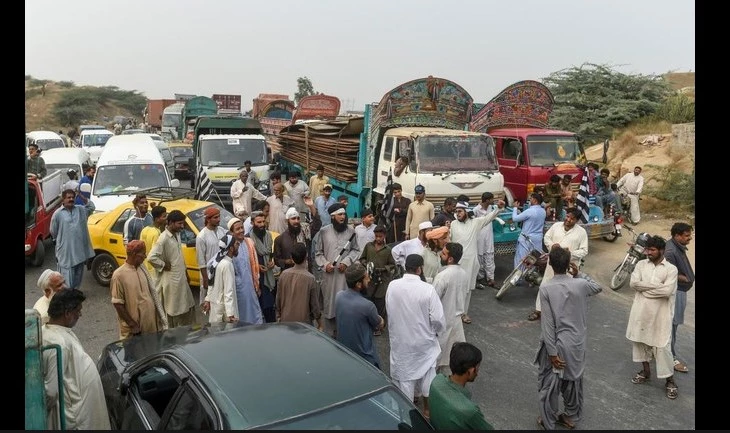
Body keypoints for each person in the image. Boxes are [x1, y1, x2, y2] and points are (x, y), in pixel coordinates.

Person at [535, 246, 602, 430]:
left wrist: (552, 353)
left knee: (550, 384)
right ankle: (570, 415)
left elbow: (548, 325)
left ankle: (548, 418)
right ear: (568, 264)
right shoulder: (580, 284)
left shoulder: (546, 288)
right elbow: (598, 287)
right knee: (573, 382)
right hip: (577, 344)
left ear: (550, 264)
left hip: (557, 344)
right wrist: (579, 273)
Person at [386, 253, 445, 419]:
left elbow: (389, 309)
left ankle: (406, 418)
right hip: (424, 344)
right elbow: (438, 320)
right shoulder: (428, 289)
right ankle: (427, 411)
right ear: (420, 269)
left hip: (402, 344)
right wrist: (434, 332)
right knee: (428, 376)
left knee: (405, 382)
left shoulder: (392, 286)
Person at [42, 289, 111, 430]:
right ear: (67, 313)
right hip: (77, 418)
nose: (80, 314)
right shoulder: (57, 343)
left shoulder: (57, 331)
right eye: (78, 311)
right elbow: (51, 392)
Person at [625, 235, 679, 400]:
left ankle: (670, 381)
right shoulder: (641, 264)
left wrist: (645, 289)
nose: (648, 252)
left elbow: (667, 291)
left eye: (652, 250)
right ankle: (646, 372)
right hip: (641, 312)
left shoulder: (671, 269)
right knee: (640, 342)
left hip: (661, 315)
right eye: (647, 249)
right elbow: (633, 284)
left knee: (662, 348)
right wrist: (657, 287)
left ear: (661, 250)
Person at [528, 208, 588, 322]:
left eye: (572, 218)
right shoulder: (556, 226)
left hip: (568, 268)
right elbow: (546, 237)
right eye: (567, 216)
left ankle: (560, 315)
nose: (568, 219)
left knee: (564, 292)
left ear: (577, 220)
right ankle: (538, 311)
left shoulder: (581, 232)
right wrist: (552, 245)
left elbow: (584, 251)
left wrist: (570, 254)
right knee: (544, 286)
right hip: (552, 265)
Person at [450, 200, 504, 324]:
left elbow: (488, 218)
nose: (457, 214)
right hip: (456, 263)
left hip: (470, 263)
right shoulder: (453, 224)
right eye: (456, 211)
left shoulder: (475, 223)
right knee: (455, 288)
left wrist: (499, 209)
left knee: (467, 290)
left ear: (466, 212)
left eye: (460, 211)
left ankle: (464, 313)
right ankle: (454, 312)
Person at [312, 202, 361, 337]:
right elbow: (318, 253)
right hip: (329, 276)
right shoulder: (324, 231)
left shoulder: (351, 231)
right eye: (340, 214)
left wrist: (346, 262)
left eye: (344, 214)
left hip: (345, 276)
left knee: (346, 307)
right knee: (330, 307)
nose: (343, 217)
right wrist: (325, 264)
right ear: (333, 217)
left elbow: (356, 250)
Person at [147, 210, 196, 327]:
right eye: (179, 224)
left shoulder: (177, 234)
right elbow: (151, 257)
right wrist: (164, 265)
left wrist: (186, 273)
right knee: (173, 311)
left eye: (182, 223)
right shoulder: (163, 238)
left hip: (181, 278)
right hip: (172, 281)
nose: (182, 226)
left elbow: (179, 256)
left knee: (187, 307)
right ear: (170, 223)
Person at [428, 342, 494, 430]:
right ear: (470, 371)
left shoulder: (437, 381)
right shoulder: (470, 411)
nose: (478, 372)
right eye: (477, 367)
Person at [110, 240, 167, 339]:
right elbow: (118, 304)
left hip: (151, 327)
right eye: (143, 254)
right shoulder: (119, 275)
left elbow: (152, 293)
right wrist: (132, 324)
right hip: (136, 330)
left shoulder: (142, 269)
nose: (145, 257)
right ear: (134, 254)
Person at [335, 262, 385, 368]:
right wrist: (381, 319)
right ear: (358, 284)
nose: (369, 280)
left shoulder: (339, 296)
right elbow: (379, 325)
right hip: (365, 358)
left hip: (344, 352)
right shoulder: (368, 306)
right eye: (366, 278)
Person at [662, 222, 694, 374]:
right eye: (687, 235)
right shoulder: (670, 251)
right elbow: (667, 273)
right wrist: (686, 278)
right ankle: (671, 358)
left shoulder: (676, 247)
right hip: (676, 292)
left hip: (680, 290)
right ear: (677, 235)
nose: (690, 238)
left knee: (672, 326)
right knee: (672, 326)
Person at [432, 242, 468, 375]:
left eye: (444, 253)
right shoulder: (463, 273)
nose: (441, 255)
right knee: (452, 362)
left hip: (443, 323)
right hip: (456, 323)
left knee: (435, 362)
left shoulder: (443, 276)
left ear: (451, 258)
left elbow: (433, 301)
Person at [50, 189, 95, 290]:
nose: (71, 199)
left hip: (79, 252)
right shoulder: (58, 214)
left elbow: (92, 207)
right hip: (66, 252)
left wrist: (81, 195)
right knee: (66, 278)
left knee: (78, 277)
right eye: (68, 197)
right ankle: (67, 297)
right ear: (63, 199)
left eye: (73, 197)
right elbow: (53, 231)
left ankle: (74, 296)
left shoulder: (80, 210)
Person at [358, 224, 396, 334]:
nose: (378, 239)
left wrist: (383, 269)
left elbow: (392, 265)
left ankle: (379, 326)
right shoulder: (369, 246)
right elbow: (362, 258)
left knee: (380, 304)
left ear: (384, 236)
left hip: (382, 281)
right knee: (369, 301)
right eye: (376, 236)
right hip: (369, 280)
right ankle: (368, 323)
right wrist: (367, 264)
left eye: (380, 236)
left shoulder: (388, 250)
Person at [276, 242, 322, 327]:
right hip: (304, 325)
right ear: (306, 256)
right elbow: (315, 306)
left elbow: (278, 300)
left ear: (291, 258)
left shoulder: (283, 275)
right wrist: (320, 324)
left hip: (285, 322)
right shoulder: (310, 278)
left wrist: (278, 316)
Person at [228, 217, 264, 323]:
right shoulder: (230, 248)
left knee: (255, 314)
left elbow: (254, 265)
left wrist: (257, 285)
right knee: (242, 316)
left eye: (242, 228)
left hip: (251, 286)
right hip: (238, 289)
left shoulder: (249, 242)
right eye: (237, 229)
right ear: (231, 232)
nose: (241, 231)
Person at [196, 207, 228, 316]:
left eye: (219, 217)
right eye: (215, 217)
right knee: (210, 303)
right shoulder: (201, 237)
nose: (219, 219)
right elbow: (201, 261)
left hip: (222, 269)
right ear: (208, 219)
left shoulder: (221, 231)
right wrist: (205, 279)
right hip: (209, 274)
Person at [248, 211, 278, 322]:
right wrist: (257, 267)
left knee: (270, 307)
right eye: (258, 222)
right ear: (252, 223)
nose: (261, 225)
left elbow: (270, 252)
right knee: (260, 307)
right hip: (257, 279)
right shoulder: (248, 240)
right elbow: (248, 261)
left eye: (263, 222)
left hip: (269, 276)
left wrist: (271, 262)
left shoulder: (268, 235)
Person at [203, 234, 240, 323]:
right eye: (236, 244)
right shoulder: (227, 265)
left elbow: (211, 283)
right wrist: (230, 314)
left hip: (216, 307)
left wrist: (207, 300)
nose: (238, 245)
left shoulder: (218, 261)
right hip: (224, 312)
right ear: (231, 248)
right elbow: (228, 291)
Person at [511, 193, 547, 271]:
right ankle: (532, 277)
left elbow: (515, 218)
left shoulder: (530, 211)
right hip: (537, 239)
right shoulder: (543, 211)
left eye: (531, 199)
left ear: (535, 200)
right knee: (534, 259)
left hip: (526, 239)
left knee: (521, 260)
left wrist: (515, 208)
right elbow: (529, 218)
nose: (529, 201)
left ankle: (517, 279)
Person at [473, 192, 498, 289]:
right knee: (480, 258)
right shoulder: (476, 210)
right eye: (492, 199)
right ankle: (480, 278)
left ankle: (491, 279)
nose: (493, 200)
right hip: (479, 238)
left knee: (490, 257)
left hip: (489, 238)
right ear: (487, 200)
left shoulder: (491, 208)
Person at [274, 207, 309, 272]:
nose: (296, 221)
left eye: (298, 218)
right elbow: (276, 260)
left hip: (304, 272)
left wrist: (311, 206)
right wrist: (287, 261)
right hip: (288, 274)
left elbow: (316, 226)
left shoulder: (305, 234)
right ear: (287, 221)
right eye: (293, 219)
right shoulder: (280, 239)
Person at [139, 205, 167, 277]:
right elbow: (156, 254)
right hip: (154, 270)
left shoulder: (145, 229)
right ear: (157, 219)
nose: (166, 218)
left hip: (145, 267)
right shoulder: (157, 233)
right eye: (164, 216)